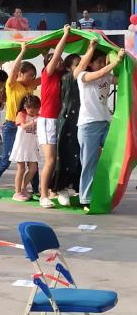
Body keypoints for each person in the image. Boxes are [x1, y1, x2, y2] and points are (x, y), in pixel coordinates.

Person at [74, 41, 124, 211]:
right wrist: (115, 61)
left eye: (104, 61)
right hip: (88, 126)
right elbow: (100, 72)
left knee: (114, 156)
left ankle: (104, 194)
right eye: (99, 62)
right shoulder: (83, 77)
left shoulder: (107, 77)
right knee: (89, 163)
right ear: (90, 64)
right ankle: (85, 199)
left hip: (105, 123)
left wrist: (124, 64)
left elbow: (122, 80)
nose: (102, 64)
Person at [0, 42, 40, 196]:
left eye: (33, 76)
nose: (32, 78)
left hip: (27, 127)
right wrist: (22, 52)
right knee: (6, 160)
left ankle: (36, 189)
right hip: (11, 127)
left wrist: (46, 57)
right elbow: (14, 69)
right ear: (20, 73)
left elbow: (46, 75)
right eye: (30, 75)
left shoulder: (30, 86)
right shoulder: (12, 85)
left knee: (32, 159)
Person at [36, 26, 71, 208]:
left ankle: (53, 191)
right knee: (49, 160)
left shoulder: (62, 77)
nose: (58, 62)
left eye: (60, 61)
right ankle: (43, 195)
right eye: (54, 61)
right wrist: (65, 35)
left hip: (57, 121)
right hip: (47, 120)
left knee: (58, 159)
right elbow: (56, 55)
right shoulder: (47, 74)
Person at [53, 54, 82, 205]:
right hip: (67, 121)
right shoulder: (67, 78)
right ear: (69, 67)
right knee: (65, 155)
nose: (82, 66)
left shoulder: (84, 78)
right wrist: (91, 48)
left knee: (79, 155)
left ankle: (77, 186)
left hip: (80, 121)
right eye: (77, 64)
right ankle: (60, 188)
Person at [11, 95, 42, 202]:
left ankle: (23, 188)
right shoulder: (21, 114)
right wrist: (35, 122)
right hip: (22, 146)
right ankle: (17, 192)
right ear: (25, 106)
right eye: (30, 107)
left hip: (32, 146)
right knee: (21, 169)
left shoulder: (39, 117)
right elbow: (23, 126)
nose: (33, 110)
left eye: (36, 107)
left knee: (33, 169)